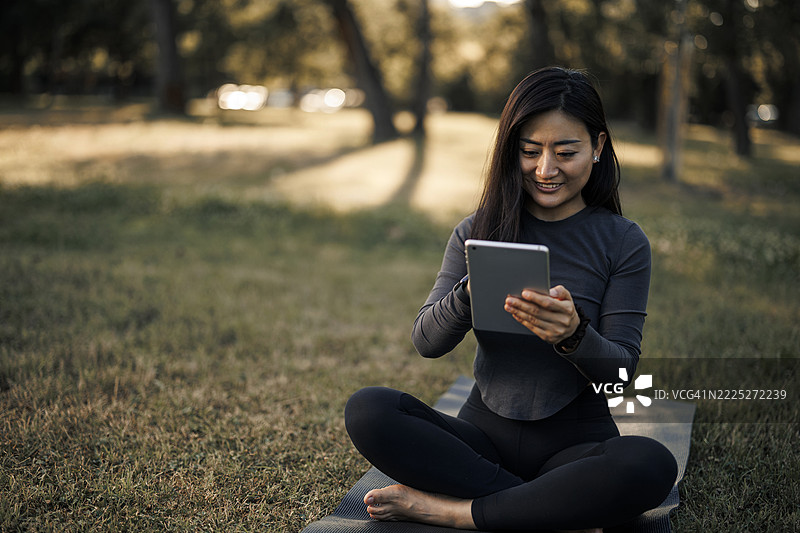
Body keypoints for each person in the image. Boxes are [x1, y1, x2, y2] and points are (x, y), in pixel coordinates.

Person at [344, 67, 678, 532]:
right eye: (529, 151)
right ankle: (551, 510)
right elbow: (426, 341)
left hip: (575, 446)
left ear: (598, 147)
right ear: (510, 151)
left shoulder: (623, 242)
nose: (545, 169)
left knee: (650, 463)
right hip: (482, 439)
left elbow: (621, 375)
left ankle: (453, 511)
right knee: (369, 409)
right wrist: (468, 293)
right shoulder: (475, 232)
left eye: (566, 152)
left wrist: (574, 335)